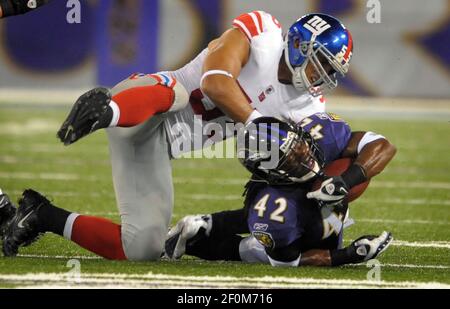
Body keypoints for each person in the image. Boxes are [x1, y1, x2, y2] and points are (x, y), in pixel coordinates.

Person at [2, 13, 354, 261]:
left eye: (328, 72)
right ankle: (107, 111)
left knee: (141, 249)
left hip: (153, 145)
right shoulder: (262, 32)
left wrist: (335, 183)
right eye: (318, 64)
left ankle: (40, 214)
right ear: (298, 45)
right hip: (145, 98)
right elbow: (214, 81)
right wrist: (258, 121)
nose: (320, 78)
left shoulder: (307, 105)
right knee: (180, 94)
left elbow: (328, 151)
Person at [165, 115, 397, 267]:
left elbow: (382, 146)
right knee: (252, 249)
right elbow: (290, 263)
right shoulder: (275, 207)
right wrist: (347, 255)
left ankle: (205, 223)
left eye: (298, 145)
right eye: (291, 160)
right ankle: (195, 242)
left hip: (305, 199)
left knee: (323, 219)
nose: (304, 156)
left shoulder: (320, 136)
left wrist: (347, 179)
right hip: (283, 208)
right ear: (274, 173)